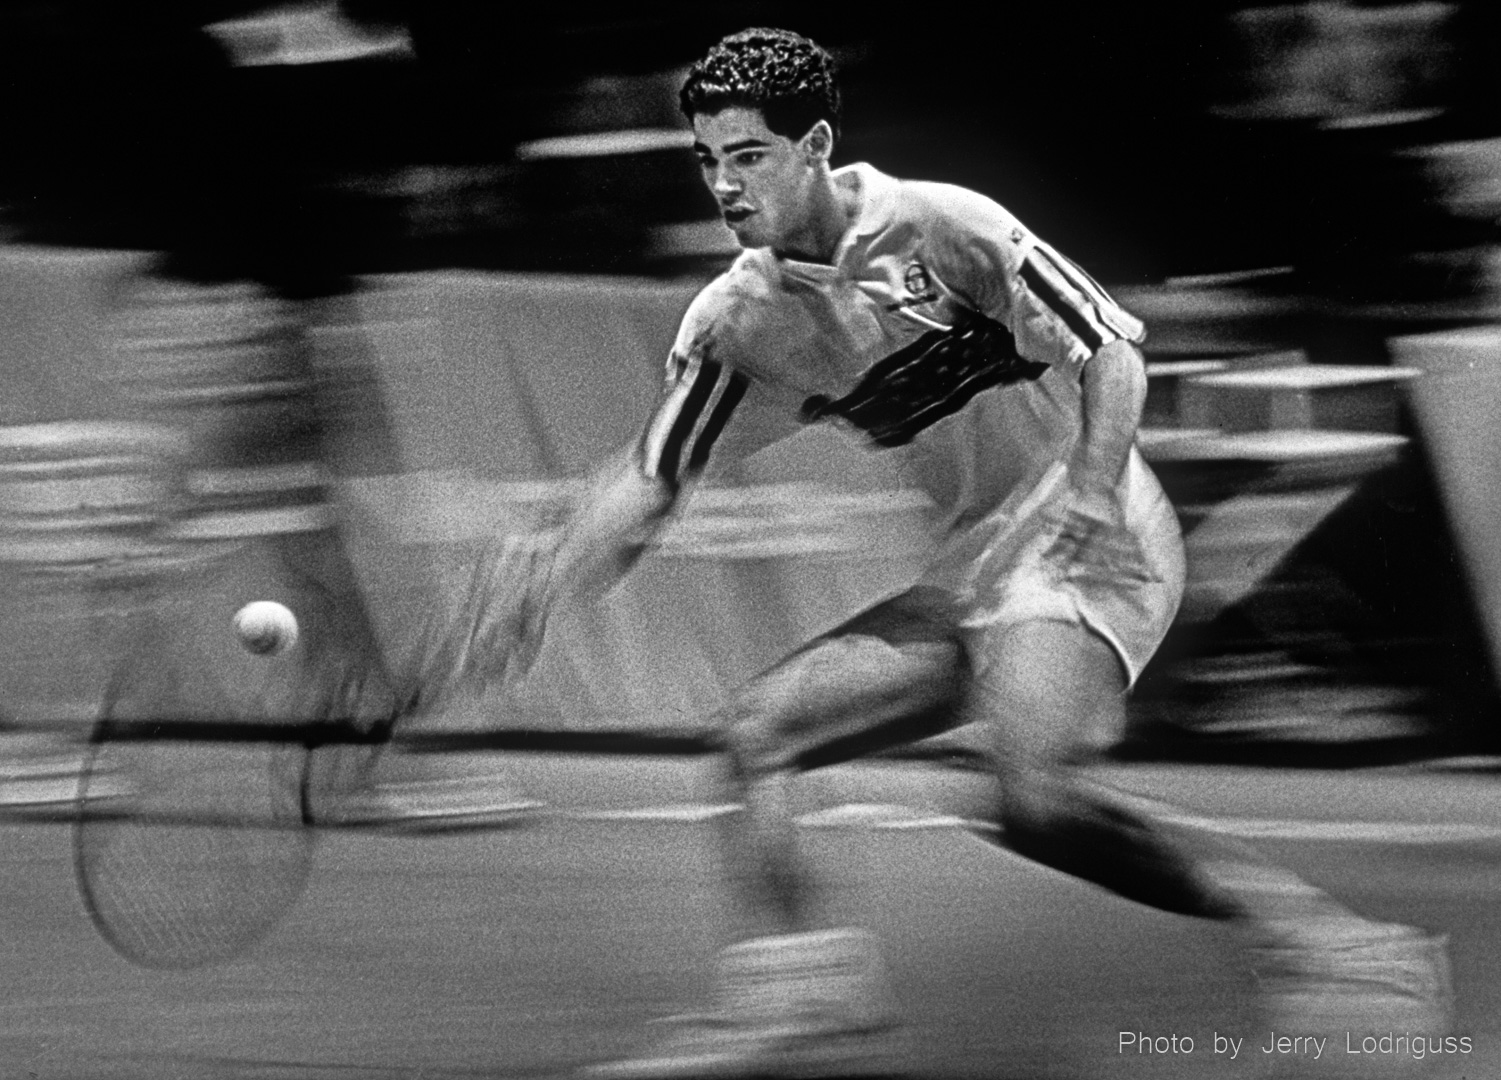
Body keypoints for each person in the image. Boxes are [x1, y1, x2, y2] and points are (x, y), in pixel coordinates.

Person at [538, 27, 1453, 1079]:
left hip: (1089, 525)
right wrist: (544, 585)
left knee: (1033, 799)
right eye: (706, 159)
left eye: (746, 156)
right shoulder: (736, 321)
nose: (723, 185)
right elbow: (653, 481)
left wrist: (1098, 490)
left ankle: (1338, 948)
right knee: (758, 736)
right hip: (970, 568)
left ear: (815, 145)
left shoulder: (945, 224)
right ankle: (807, 993)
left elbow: (1111, 345)